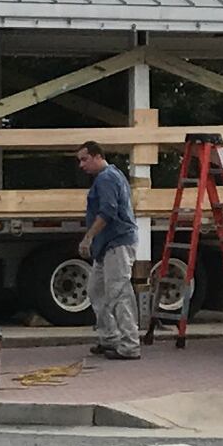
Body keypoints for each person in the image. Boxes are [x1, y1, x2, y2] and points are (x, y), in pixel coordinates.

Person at [74, 140, 143, 360]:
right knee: (97, 290)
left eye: (84, 159)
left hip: (117, 243)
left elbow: (108, 212)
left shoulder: (106, 179)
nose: (81, 165)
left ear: (97, 156)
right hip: (108, 245)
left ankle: (130, 345)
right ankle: (110, 338)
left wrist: (88, 237)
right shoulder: (110, 176)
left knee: (119, 293)